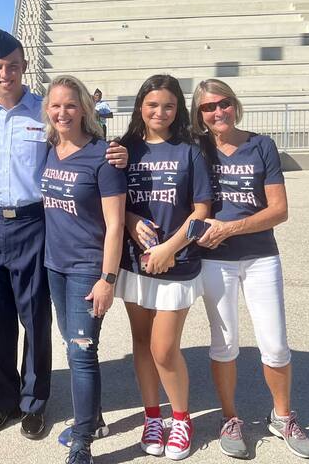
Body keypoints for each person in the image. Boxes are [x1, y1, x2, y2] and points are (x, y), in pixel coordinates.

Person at [0, 28, 128, 438]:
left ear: (24, 67)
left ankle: (34, 403)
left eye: (14, 66)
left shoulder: (44, 111)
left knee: (34, 318)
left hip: (35, 222)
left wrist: (119, 149)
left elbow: (81, 143)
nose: (6, 74)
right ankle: (3, 402)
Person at [190, 79, 309, 460]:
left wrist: (230, 227)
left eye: (223, 103)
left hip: (261, 255)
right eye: (208, 107)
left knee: (275, 344)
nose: (217, 112)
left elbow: (279, 210)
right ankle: (231, 418)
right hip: (216, 260)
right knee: (224, 344)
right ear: (200, 115)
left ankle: (282, 417)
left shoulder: (261, 145)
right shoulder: (197, 150)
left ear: (235, 104)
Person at [115, 74, 212, 460]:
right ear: (141, 105)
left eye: (168, 106)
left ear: (178, 110)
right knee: (141, 343)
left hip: (178, 261)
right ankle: (152, 416)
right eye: (153, 104)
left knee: (164, 348)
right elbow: (111, 200)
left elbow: (202, 211)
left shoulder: (190, 151)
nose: (160, 112)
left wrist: (171, 247)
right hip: (135, 263)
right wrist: (130, 221)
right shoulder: (124, 149)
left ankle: (182, 418)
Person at [40, 75, 127, 463]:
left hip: (87, 268)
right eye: (56, 105)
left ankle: (83, 442)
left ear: (84, 110)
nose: (63, 112)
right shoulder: (47, 148)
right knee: (73, 345)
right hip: (53, 265)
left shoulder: (103, 156)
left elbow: (116, 225)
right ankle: (93, 416)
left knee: (81, 351)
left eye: (70, 105)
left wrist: (108, 279)